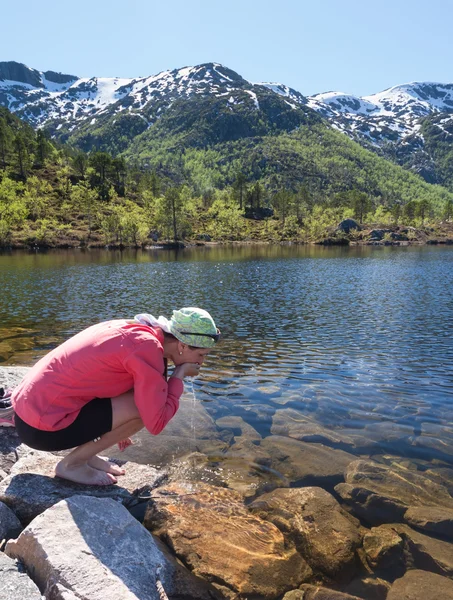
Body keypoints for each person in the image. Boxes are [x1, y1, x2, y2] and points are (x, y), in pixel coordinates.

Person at [9, 307, 220, 486]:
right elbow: (156, 422)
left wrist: (112, 427)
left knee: (144, 403)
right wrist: (178, 376)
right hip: (40, 429)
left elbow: (108, 373)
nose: (200, 362)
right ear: (182, 345)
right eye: (200, 355)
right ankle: (72, 465)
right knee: (143, 411)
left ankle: (88, 454)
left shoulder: (139, 329)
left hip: (30, 412)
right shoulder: (147, 349)